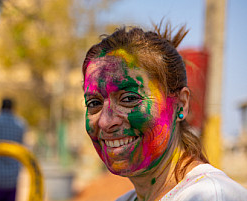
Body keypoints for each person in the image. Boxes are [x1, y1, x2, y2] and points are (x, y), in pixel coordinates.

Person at [82, 23, 247, 201]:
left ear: (181, 104)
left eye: (129, 99)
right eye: (94, 102)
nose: (105, 122)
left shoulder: (211, 195)